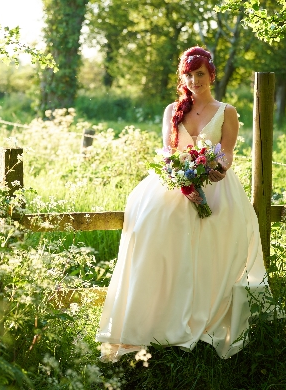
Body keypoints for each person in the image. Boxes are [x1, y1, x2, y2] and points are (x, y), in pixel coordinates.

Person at [95, 46, 269, 362]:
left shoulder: (226, 111)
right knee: (155, 235)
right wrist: (177, 170)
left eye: (199, 74)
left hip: (215, 185)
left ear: (211, 75)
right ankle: (156, 319)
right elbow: (166, 150)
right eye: (188, 74)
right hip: (175, 184)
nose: (193, 80)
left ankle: (204, 317)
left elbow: (227, 151)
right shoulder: (172, 110)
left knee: (213, 246)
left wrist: (219, 168)